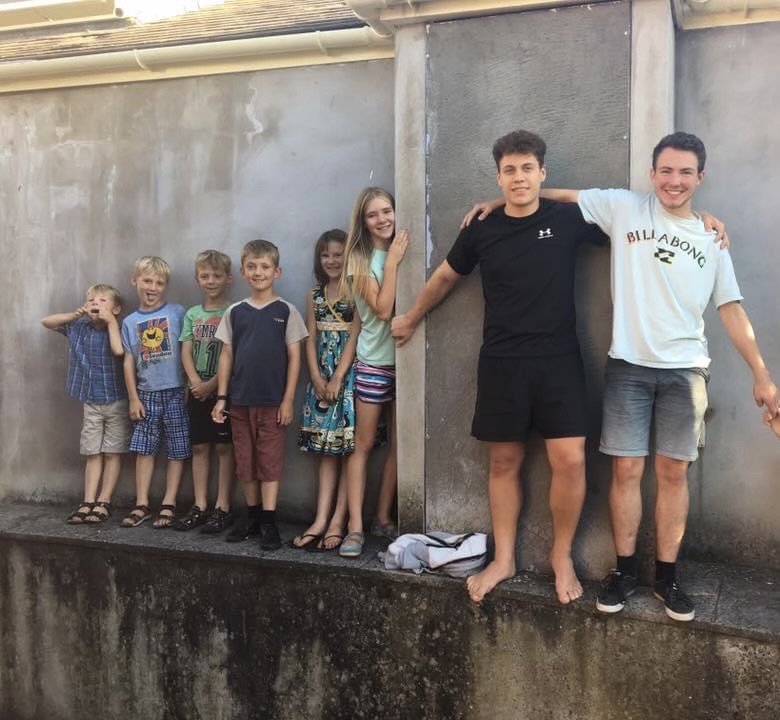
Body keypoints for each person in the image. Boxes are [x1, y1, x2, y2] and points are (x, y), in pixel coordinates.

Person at [466, 131, 779, 621]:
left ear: (700, 177)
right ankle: (625, 572)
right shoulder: (625, 208)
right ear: (652, 174)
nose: (675, 180)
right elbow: (561, 194)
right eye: (666, 170)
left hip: (686, 371)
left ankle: (667, 578)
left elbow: (731, 309)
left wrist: (761, 373)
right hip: (628, 365)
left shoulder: (711, 238)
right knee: (626, 472)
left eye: (686, 172)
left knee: (673, 474)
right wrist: (498, 200)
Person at [392, 131, 607, 604]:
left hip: (559, 361)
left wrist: (696, 220)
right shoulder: (482, 228)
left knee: (570, 461)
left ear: (542, 172)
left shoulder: (567, 218)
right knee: (504, 462)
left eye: (527, 168)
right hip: (502, 362)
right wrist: (410, 316)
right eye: (509, 170)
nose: (519, 178)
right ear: (498, 176)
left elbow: (630, 217)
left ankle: (561, 555)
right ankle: (504, 558)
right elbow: (445, 277)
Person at [211, 239, 307, 550]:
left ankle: (268, 522)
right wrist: (222, 398)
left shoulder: (286, 311)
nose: (258, 272)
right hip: (239, 401)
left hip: (272, 403)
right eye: (251, 266)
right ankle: (252, 518)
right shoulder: (235, 312)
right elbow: (227, 354)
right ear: (242, 271)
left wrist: (287, 399)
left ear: (277, 272)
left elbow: (295, 357)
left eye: (265, 266)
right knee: (245, 462)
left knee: (269, 462)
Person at [338, 187, 409, 558]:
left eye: (387, 211)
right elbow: (382, 310)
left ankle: (382, 517)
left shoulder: (404, 245)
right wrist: (393, 261)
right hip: (374, 362)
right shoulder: (360, 259)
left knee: (400, 446)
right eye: (373, 214)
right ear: (363, 222)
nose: (382, 219)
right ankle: (354, 528)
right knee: (363, 446)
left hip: (407, 362)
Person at [294, 229, 360, 551]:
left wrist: (337, 378)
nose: (331, 260)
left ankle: (339, 520)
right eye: (325, 255)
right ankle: (320, 519)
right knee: (326, 451)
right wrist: (317, 377)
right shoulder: (314, 294)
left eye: (337, 254)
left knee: (349, 450)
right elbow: (310, 336)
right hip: (320, 378)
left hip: (348, 378)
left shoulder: (357, 289)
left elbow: (355, 334)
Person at [42, 284, 130, 524]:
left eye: (102, 300)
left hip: (117, 400)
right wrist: (75, 314)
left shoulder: (121, 328)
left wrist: (110, 322)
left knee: (112, 452)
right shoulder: (77, 326)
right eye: (91, 300)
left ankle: (104, 501)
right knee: (92, 452)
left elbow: (119, 351)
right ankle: (88, 501)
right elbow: (46, 322)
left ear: (116, 309)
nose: (95, 304)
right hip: (90, 400)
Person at [120, 256, 190, 529]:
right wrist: (133, 398)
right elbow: (128, 361)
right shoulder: (130, 322)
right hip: (146, 394)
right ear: (134, 281)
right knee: (144, 449)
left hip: (176, 392)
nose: (152, 287)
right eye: (147, 281)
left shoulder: (177, 312)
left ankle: (169, 502)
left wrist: (188, 384)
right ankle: (142, 503)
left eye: (159, 283)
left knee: (177, 448)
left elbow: (187, 349)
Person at [172, 250, 236, 533]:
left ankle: (223, 506)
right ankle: (200, 505)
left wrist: (213, 385)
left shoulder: (233, 312)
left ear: (228, 278)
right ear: (197, 280)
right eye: (205, 276)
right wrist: (195, 382)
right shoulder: (192, 314)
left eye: (217, 276)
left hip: (223, 391)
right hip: (197, 390)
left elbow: (232, 354)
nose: (211, 281)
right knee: (199, 447)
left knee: (224, 447)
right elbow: (185, 350)